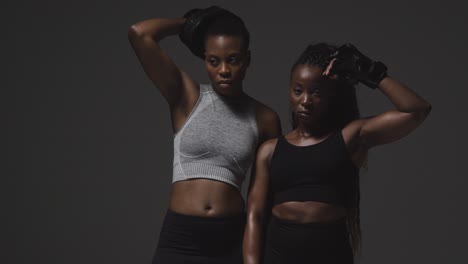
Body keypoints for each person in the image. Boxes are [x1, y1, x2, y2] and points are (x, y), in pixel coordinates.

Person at [243, 43, 432, 264]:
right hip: (277, 256)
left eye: (316, 92)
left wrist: (370, 72)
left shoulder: (350, 137)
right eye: (298, 90)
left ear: (332, 95)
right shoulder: (270, 150)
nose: (305, 101)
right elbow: (254, 216)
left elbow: (417, 110)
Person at [128, 6, 281, 264]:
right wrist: (193, 24)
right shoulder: (187, 97)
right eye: (214, 61)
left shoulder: (265, 118)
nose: (223, 70)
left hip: (231, 239)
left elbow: (265, 197)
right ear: (205, 59)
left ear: (247, 59)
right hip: (180, 239)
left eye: (233, 60)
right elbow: (140, 33)